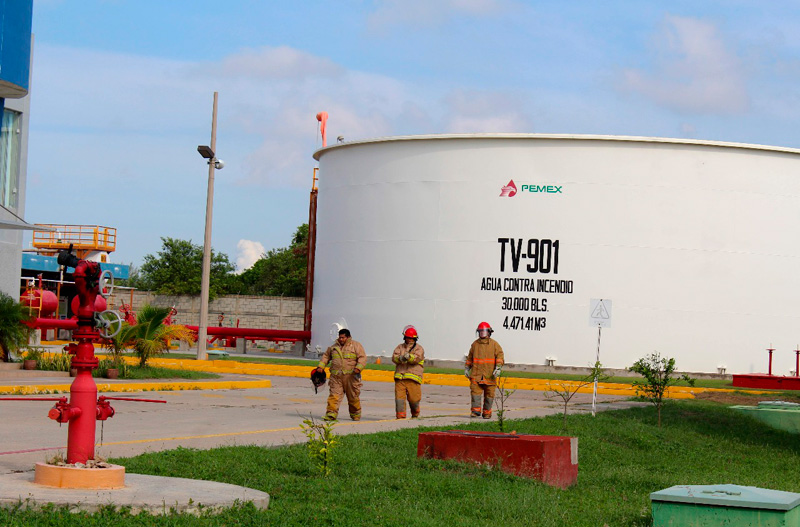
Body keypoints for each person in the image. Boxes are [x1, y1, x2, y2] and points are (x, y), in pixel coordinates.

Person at [315, 328, 367, 421]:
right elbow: (326, 357)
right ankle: (331, 414)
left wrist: (358, 368)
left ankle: (355, 414)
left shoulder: (356, 346)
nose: (341, 339)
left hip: (351, 377)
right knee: (334, 395)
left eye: (343, 337)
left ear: (348, 337)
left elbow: (362, 358)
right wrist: (321, 367)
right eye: (340, 337)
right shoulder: (333, 347)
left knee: (353, 396)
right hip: (336, 377)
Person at [464, 321, 504, 419]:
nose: (482, 333)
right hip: (476, 374)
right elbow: (470, 358)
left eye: (484, 331)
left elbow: (500, 356)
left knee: (489, 395)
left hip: (490, 375)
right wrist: (467, 368)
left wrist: (498, 368)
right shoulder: (475, 345)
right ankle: (475, 411)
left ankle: (487, 413)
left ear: (489, 332)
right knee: (475, 393)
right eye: (480, 331)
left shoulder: (494, 344)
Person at [392, 325, 425, 419]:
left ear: (415, 338)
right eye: (407, 337)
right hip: (400, 378)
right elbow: (394, 358)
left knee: (414, 399)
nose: (409, 340)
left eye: (411, 338)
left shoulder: (419, 348)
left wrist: (409, 357)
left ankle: (415, 412)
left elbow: (417, 358)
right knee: (399, 399)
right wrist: (400, 358)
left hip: (413, 378)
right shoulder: (400, 347)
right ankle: (400, 416)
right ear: (404, 337)